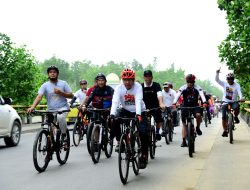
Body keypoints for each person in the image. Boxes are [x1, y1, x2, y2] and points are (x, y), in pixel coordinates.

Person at [110, 69, 149, 169]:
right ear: (122, 80)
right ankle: (120, 142)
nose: (127, 82)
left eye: (130, 80)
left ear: (133, 80)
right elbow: (115, 102)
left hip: (140, 111)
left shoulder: (138, 87)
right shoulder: (119, 88)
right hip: (125, 110)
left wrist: (138, 114)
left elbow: (138, 100)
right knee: (113, 120)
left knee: (143, 132)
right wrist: (112, 114)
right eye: (125, 80)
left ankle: (144, 155)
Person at [27, 66, 73, 138]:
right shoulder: (45, 85)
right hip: (51, 109)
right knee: (48, 125)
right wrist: (32, 107)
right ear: (48, 74)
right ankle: (50, 142)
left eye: (54, 72)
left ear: (57, 74)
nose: (52, 74)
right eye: (50, 72)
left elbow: (71, 96)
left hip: (63, 108)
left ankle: (64, 134)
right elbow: (39, 96)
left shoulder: (63, 83)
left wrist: (61, 93)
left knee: (60, 118)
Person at [174, 74, 206, 147]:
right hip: (185, 106)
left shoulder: (197, 87)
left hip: (195, 106)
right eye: (188, 82)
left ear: (194, 82)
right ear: (186, 81)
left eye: (191, 82)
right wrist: (174, 103)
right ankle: (184, 141)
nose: (190, 83)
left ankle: (197, 127)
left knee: (198, 115)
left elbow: (201, 94)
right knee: (184, 124)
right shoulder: (183, 87)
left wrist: (204, 102)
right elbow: (177, 95)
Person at [215, 69, 245, 137]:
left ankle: (236, 116)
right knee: (223, 117)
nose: (230, 80)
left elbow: (239, 92)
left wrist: (241, 98)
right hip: (225, 102)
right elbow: (217, 80)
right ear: (227, 79)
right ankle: (225, 130)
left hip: (234, 102)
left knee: (237, 107)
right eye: (228, 79)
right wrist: (217, 73)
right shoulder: (224, 84)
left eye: (231, 79)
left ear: (233, 79)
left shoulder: (237, 85)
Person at [141, 70, 165, 140]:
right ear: (144, 77)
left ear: (152, 77)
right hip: (144, 108)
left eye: (149, 76)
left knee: (158, 118)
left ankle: (157, 132)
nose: (148, 78)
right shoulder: (140, 86)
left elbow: (159, 94)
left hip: (155, 107)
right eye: (146, 76)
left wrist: (161, 103)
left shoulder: (156, 85)